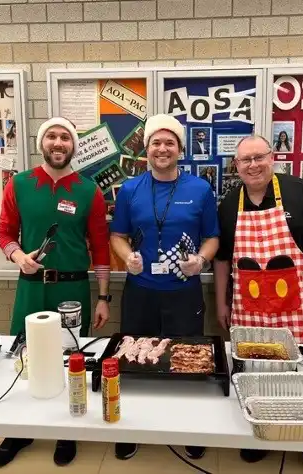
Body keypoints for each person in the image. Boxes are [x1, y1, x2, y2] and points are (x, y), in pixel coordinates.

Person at [213, 135, 303, 474]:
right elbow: (221, 260)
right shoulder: (230, 204)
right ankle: (261, 436)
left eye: (259, 157)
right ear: (236, 166)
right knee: (256, 377)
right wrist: (221, 302)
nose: (253, 165)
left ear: (271, 157)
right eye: (245, 160)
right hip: (250, 313)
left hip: (299, 310)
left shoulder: (299, 191)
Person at [0, 116, 111, 468]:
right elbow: (4, 231)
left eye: (65, 138)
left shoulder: (89, 190)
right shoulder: (19, 184)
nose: (58, 143)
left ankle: (67, 429)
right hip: (31, 287)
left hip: (73, 288)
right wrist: (17, 255)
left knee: (71, 359)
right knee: (22, 358)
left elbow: (101, 247)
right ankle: (19, 430)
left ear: (73, 146)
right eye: (52, 137)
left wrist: (104, 297)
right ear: (42, 143)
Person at [110, 114, 219, 462]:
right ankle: (131, 430)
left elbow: (213, 238)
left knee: (188, 359)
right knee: (133, 358)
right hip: (140, 290)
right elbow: (117, 237)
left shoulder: (200, 189)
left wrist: (200, 262)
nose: (162, 148)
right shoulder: (130, 189)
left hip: (183, 292)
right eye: (156, 142)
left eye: (169, 142)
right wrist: (128, 258)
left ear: (180, 149)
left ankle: (188, 428)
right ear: (146, 150)